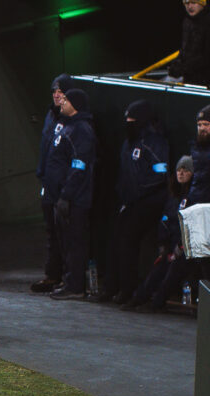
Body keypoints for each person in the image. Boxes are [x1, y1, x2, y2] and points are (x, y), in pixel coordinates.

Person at [94, 100, 169, 304]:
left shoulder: (155, 142)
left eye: (132, 120)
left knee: (127, 240)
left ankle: (128, 289)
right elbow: (124, 174)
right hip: (128, 201)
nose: (128, 123)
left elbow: (161, 173)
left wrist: (141, 190)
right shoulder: (128, 143)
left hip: (150, 201)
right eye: (127, 120)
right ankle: (111, 287)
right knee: (114, 239)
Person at [44, 89, 96, 300]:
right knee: (65, 242)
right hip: (61, 197)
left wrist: (66, 195)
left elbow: (79, 166)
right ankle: (69, 281)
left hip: (76, 199)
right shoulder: (67, 126)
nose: (62, 102)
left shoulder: (82, 130)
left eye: (66, 100)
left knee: (75, 243)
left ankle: (75, 286)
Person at [123, 156, 193, 312]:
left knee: (173, 270)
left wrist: (180, 247)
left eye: (186, 170)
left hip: (185, 247)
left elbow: (191, 227)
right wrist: (163, 245)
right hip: (170, 243)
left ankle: (156, 303)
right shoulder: (172, 196)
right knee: (157, 269)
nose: (181, 173)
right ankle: (138, 298)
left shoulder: (193, 197)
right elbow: (164, 220)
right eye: (179, 170)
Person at [31, 73, 74, 293]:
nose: (57, 95)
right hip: (48, 184)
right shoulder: (51, 115)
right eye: (54, 91)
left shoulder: (74, 123)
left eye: (61, 91)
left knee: (65, 235)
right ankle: (53, 274)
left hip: (62, 189)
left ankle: (67, 278)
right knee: (51, 233)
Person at [167, 0, 210, 86]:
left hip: (205, 81)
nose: (189, 7)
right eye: (187, 3)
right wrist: (177, 63)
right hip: (189, 78)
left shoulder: (207, 22)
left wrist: (183, 68)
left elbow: (206, 56)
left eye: (193, 3)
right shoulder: (187, 21)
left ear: (202, 4)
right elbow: (185, 48)